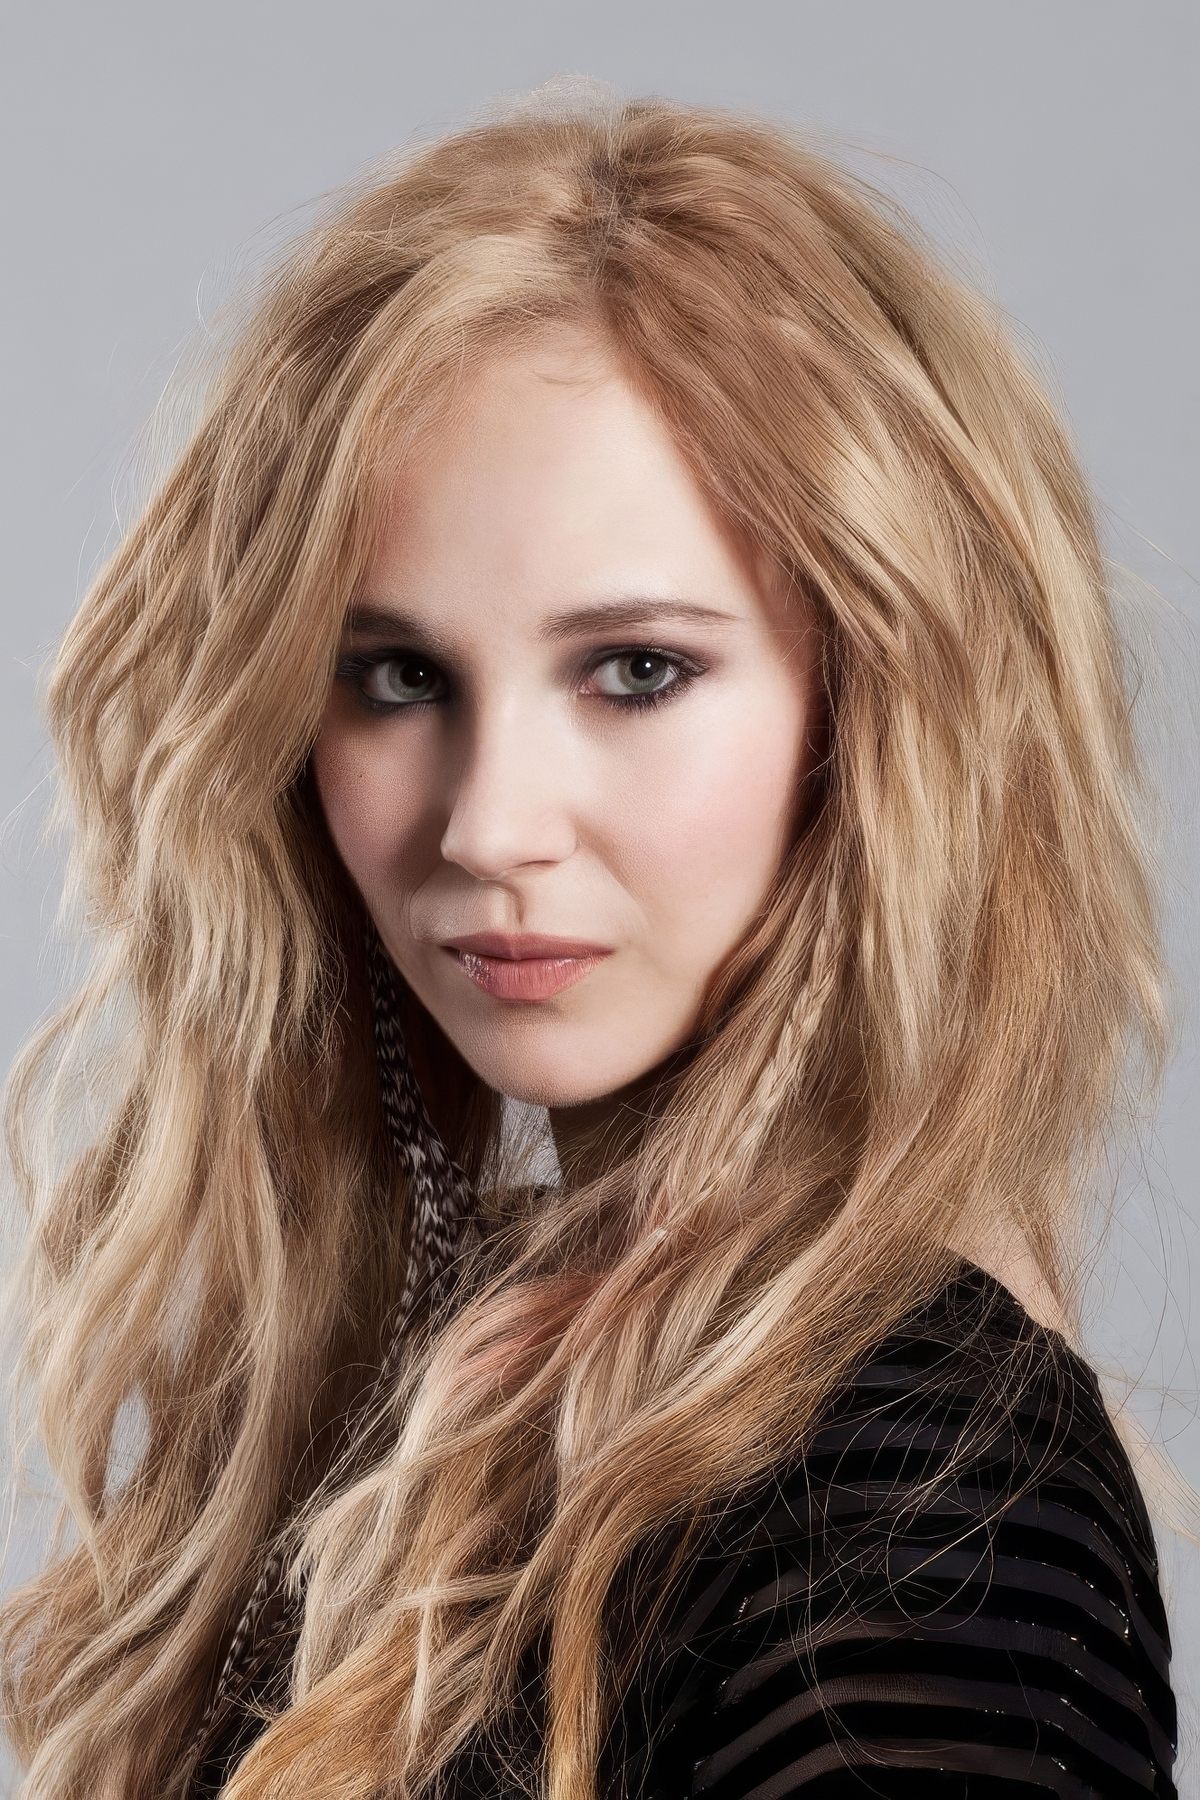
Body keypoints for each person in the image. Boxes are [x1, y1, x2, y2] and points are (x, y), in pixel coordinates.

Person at [0, 80, 1188, 1798]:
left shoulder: (916, 1482)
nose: (488, 826)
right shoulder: (446, 1397)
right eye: (397, 675)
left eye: (637, 670)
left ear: (877, 708)